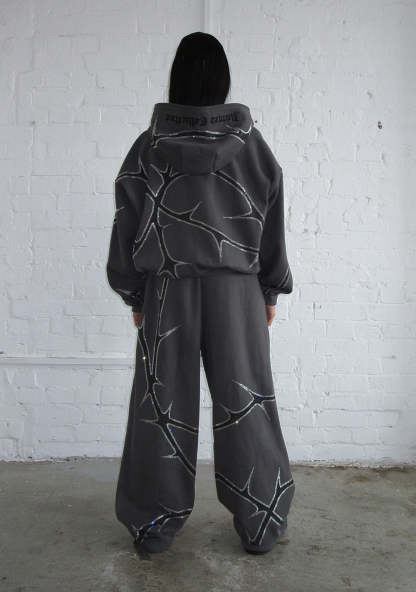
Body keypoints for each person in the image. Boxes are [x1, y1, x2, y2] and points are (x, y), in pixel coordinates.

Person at [106, 31, 295, 555]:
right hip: (237, 292)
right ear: (223, 81)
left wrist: (135, 294)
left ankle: (153, 524)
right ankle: (260, 522)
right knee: (248, 402)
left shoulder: (148, 147)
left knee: (159, 405)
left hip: (168, 288)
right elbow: (272, 219)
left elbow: (127, 223)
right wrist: (270, 290)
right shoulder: (253, 147)